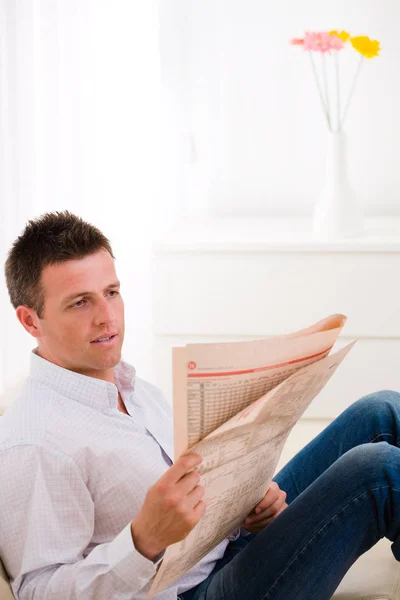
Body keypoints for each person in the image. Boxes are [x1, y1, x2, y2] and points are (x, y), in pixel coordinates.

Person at [1, 210, 400, 600]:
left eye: (111, 292)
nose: (108, 318)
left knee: (381, 411)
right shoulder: (34, 442)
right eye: (80, 303)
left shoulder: (133, 387)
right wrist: (142, 541)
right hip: (196, 591)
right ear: (30, 321)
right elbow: (38, 591)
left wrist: (246, 510)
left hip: (229, 550)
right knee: (376, 471)